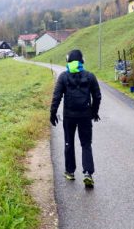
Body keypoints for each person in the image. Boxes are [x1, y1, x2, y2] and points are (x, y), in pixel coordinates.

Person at [50, 49, 101, 188]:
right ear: (82, 61)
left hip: (69, 116)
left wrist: (53, 113)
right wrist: (94, 112)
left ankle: (70, 172)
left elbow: (57, 97)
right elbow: (97, 96)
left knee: (69, 143)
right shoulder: (90, 76)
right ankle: (88, 174)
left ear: (68, 61)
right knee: (86, 144)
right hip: (85, 116)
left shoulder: (63, 77)